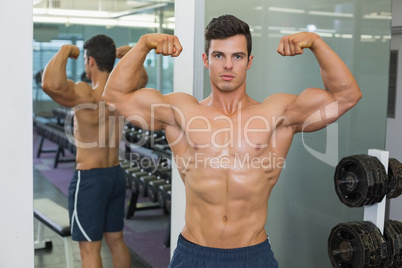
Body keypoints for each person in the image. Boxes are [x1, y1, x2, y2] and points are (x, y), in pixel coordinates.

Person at [103, 14, 362, 267]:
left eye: (237, 56)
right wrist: (144, 44)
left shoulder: (278, 113)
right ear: (206, 60)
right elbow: (115, 97)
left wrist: (316, 42)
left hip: (252, 255)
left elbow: (347, 95)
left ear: (249, 62)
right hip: (194, 254)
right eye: (219, 55)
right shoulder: (180, 112)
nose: (228, 65)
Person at [41, 34, 148, 268]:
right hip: (115, 175)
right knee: (117, 241)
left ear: (90, 61)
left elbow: (49, 83)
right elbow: (142, 77)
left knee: (89, 250)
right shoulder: (122, 91)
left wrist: (65, 50)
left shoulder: (86, 93)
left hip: (89, 180)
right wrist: (130, 53)